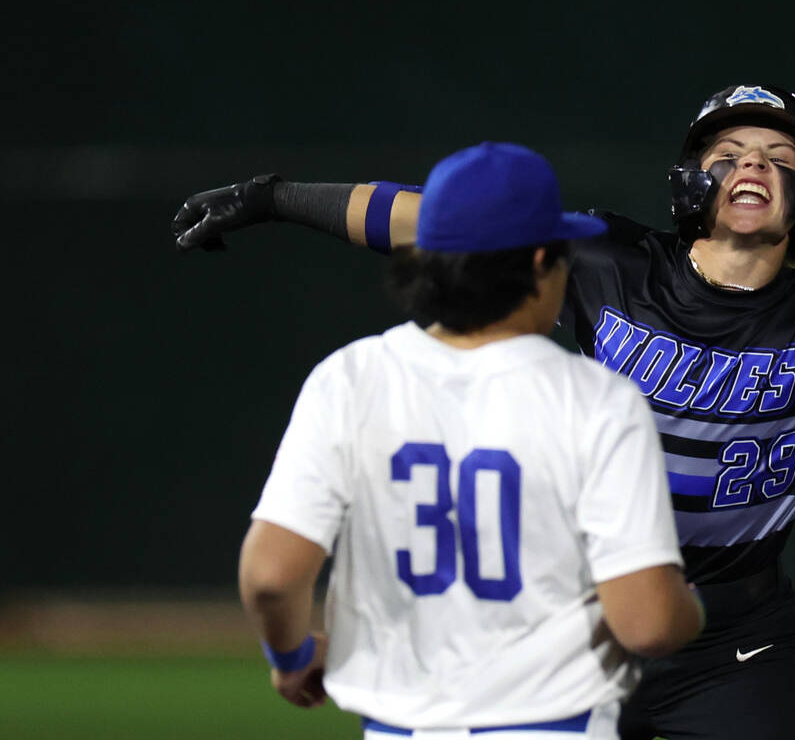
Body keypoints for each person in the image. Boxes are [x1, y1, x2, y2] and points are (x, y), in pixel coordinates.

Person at [185, 84, 795, 740]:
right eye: (729, 156)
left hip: (732, 642)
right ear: (689, 183)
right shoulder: (613, 260)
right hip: (573, 627)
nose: (754, 168)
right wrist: (276, 199)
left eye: (780, 160)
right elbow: (441, 218)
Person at [236, 141, 706, 740]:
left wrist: (290, 659)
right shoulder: (597, 400)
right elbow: (647, 624)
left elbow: (270, 575)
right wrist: (695, 607)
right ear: (542, 261)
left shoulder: (350, 379)